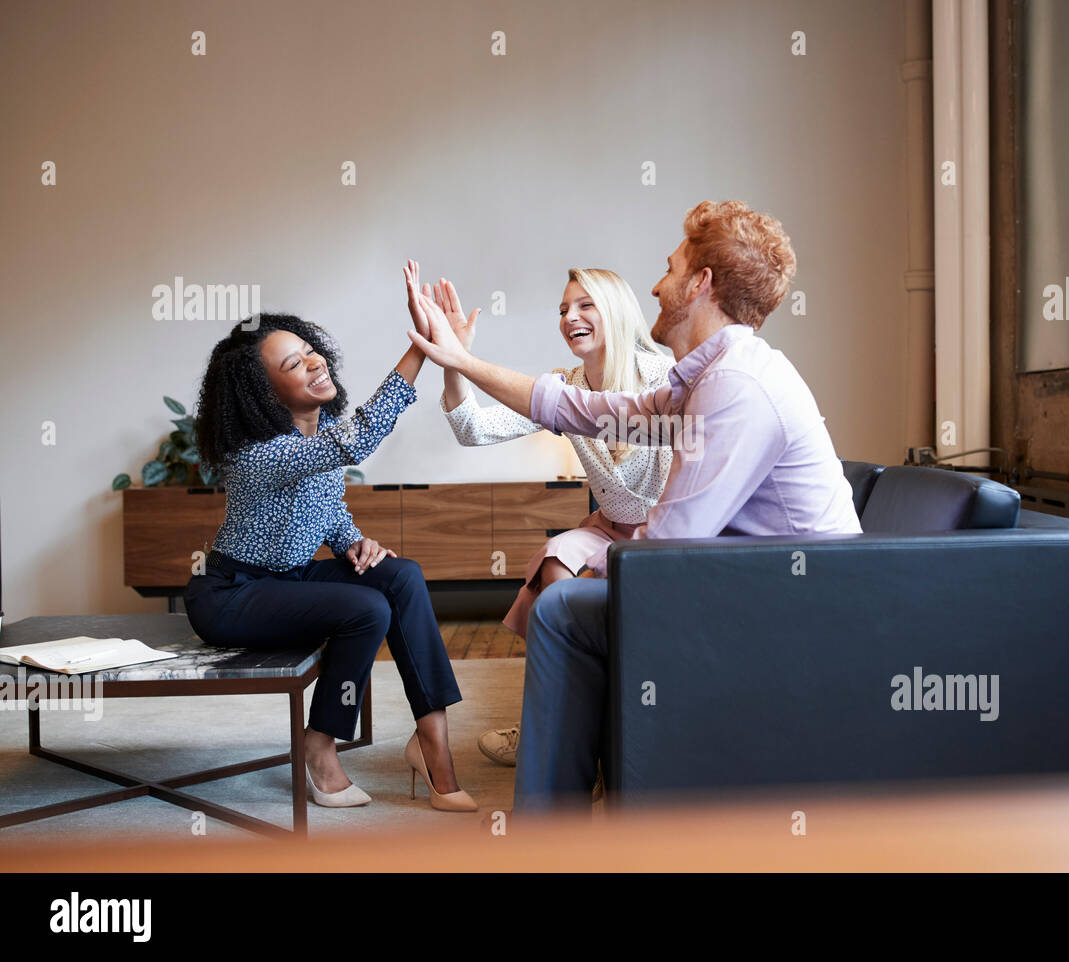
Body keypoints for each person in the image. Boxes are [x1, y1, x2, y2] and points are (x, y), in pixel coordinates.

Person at [404, 201, 863, 812]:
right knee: (565, 585)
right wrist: (458, 361)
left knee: (565, 606)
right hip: (757, 580)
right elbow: (575, 409)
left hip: (796, 609)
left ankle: (548, 828)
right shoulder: (706, 377)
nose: (656, 283)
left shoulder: (736, 387)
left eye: (670, 268)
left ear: (701, 284)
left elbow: (667, 552)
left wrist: (592, 573)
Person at [184, 264, 476, 813]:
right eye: (294, 363)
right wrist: (426, 346)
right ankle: (319, 743)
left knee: (400, 575)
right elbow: (361, 439)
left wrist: (352, 542)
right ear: (266, 395)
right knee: (365, 608)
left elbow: (324, 508)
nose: (315, 360)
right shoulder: (262, 453)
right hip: (233, 593)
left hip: (288, 579)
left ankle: (432, 739)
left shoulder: (310, 436)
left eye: (310, 349)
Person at [412, 266, 673, 768]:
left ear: (616, 311)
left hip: (665, 535)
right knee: (556, 564)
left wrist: (463, 357)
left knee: (585, 592)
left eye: (584, 305)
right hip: (608, 529)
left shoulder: (663, 377)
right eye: (562, 309)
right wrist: (453, 362)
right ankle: (554, 720)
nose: (568, 317)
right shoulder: (564, 384)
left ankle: (584, 726)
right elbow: (474, 430)